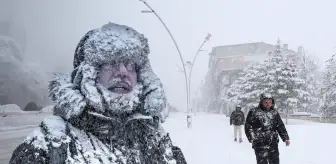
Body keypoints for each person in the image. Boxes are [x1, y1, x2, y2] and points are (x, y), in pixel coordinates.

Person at [9, 22, 187, 164]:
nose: (123, 71)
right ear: (87, 74)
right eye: (110, 62)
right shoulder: (48, 146)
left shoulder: (156, 139)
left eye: (131, 65)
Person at [245, 93, 290, 164]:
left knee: (275, 162)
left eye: (270, 102)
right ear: (261, 102)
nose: (268, 104)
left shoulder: (274, 112)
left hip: (273, 143)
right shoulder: (254, 112)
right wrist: (252, 137)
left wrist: (285, 138)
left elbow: (280, 126)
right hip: (259, 144)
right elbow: (248, 126)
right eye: (266, 102)